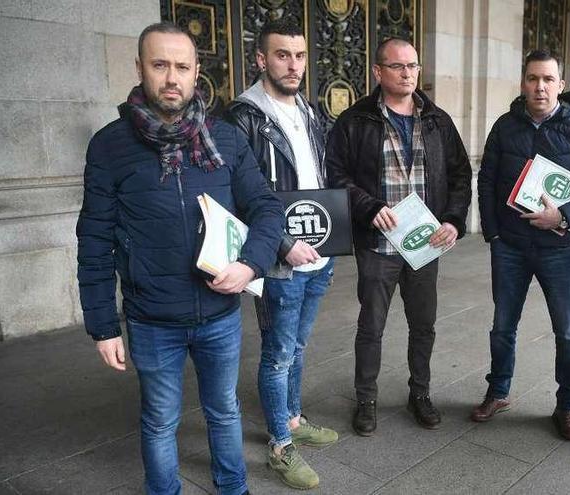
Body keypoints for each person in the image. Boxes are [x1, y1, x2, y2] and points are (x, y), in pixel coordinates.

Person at [76, 22, 283, 495]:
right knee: (159, 421)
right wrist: (103, 325)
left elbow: (266, 207)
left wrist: (250, 264)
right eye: (160, 65)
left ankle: (234, 489)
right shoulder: (110, 146)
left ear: (196, 75)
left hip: (220, 314)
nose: (172, 77)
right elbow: (94, 239)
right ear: (140, 69)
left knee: (224, 410)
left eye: (182, 67)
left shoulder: (226, 138)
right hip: (152, 318)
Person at [326, 37, 472, 436]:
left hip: (425, 244)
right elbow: (336, 175)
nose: (408, 73)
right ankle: (366, 400)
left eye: (413, 66)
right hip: (378, 245)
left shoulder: (437, 120)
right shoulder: (355, 121)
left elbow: (461, 175)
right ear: (378, 72)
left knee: (423, 324)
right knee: (371, 326)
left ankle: (420, 394)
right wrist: (368, 207)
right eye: (398, 67)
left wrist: (455, 220)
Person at [472, 49, 570, 441]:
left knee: (568, 331)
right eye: (533, 78)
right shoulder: (505, 126)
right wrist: (494, 232)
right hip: (511, 247)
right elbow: (486, 180)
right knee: (503, 327)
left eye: (548, 79)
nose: (540, 86)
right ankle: (498, 392)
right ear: (523, 83)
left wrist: (565, 216)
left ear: (561, 85)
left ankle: (567, 405)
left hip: (559, 248)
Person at [224, 20, 336, 490]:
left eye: (298, 55)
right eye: (281, 55)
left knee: (298, 347)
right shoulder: (244, 116)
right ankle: (279, 447)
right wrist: (283, 243)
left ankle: (291, 419)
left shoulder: (309, 111)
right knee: (277, 356)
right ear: (260, 59)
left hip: (319, 255)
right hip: (278, 260)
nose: (292, 65)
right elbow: (238, 195)